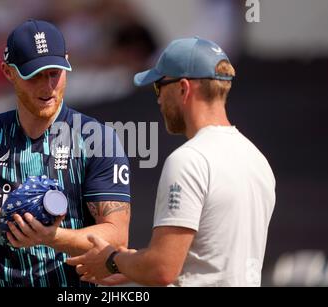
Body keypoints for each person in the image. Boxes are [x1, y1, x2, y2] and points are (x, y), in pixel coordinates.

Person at [0, 19, 131, 287]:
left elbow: (117, 235)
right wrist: (4, 217)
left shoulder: (97, 138)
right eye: (34, 75)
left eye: (55, 73)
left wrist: (51, 236)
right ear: (8, 72)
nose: (48, 86)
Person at [67, 37, 276, 287]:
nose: (157, 100)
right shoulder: (257, 159)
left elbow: (162, 268)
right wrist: (133, 264)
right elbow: (209, 260)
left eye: (159, 87)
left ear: (183, 88)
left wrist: (112, 260)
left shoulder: (189, 160)